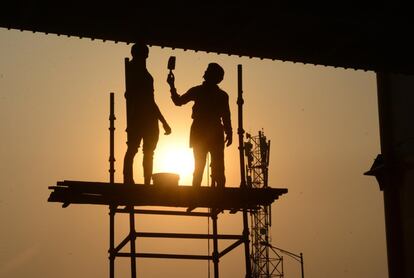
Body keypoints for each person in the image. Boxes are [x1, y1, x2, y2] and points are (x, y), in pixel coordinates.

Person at [167, 63, 232, 188]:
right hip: (211, 131)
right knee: (213, 167)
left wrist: (172, 86)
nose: (205, 72)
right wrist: (229, 132)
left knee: (203, 167)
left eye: (208, 71)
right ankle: (215, 194)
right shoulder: (221, 95)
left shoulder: (199, 91)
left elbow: (178, 101)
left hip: (202, 131)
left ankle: (199, 195)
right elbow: (226, 117)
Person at [123, 42, 171, 185]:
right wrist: (164, 122)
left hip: (146, 119)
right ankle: (130, 180)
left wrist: (163, 122)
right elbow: (147, 101)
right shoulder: (137, 73)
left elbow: (151, 102)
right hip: (139, 118)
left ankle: (144, 181)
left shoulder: (144, 75)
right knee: (135, 150)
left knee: (146, 153)